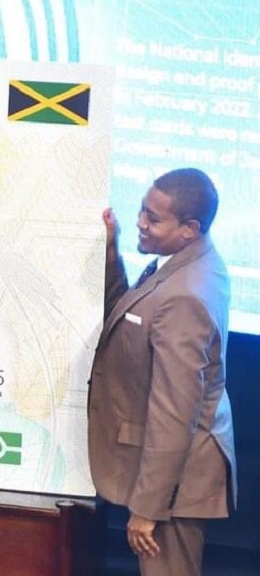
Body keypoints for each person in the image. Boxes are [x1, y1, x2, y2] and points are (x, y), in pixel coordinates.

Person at [88, 168, 237, 576]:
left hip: (177, 482)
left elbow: (176, 412)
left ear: (190, 228)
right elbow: (134, 314)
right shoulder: (184, 262)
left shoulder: (187, 294)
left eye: (153, 219)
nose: (140, 222)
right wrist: (111, 253)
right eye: (142, 210)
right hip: (171, 473)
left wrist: (148, 509)